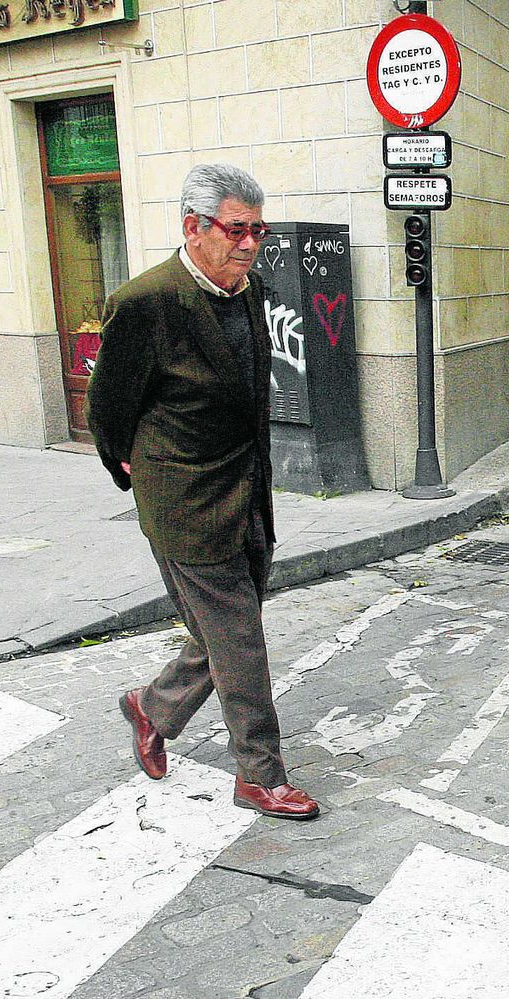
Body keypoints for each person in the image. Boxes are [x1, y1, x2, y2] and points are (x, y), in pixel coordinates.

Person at [87, 163, 319, 820]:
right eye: (235, 230)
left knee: (223, 629)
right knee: (239, 634)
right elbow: (108, 410)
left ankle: (150, 707)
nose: (248, 244)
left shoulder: (247, 289)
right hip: (185, 502)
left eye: (257, 231)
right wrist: (126, 466)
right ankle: (260, 773)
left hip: (246, 494)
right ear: (193, 228)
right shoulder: (147, 303)